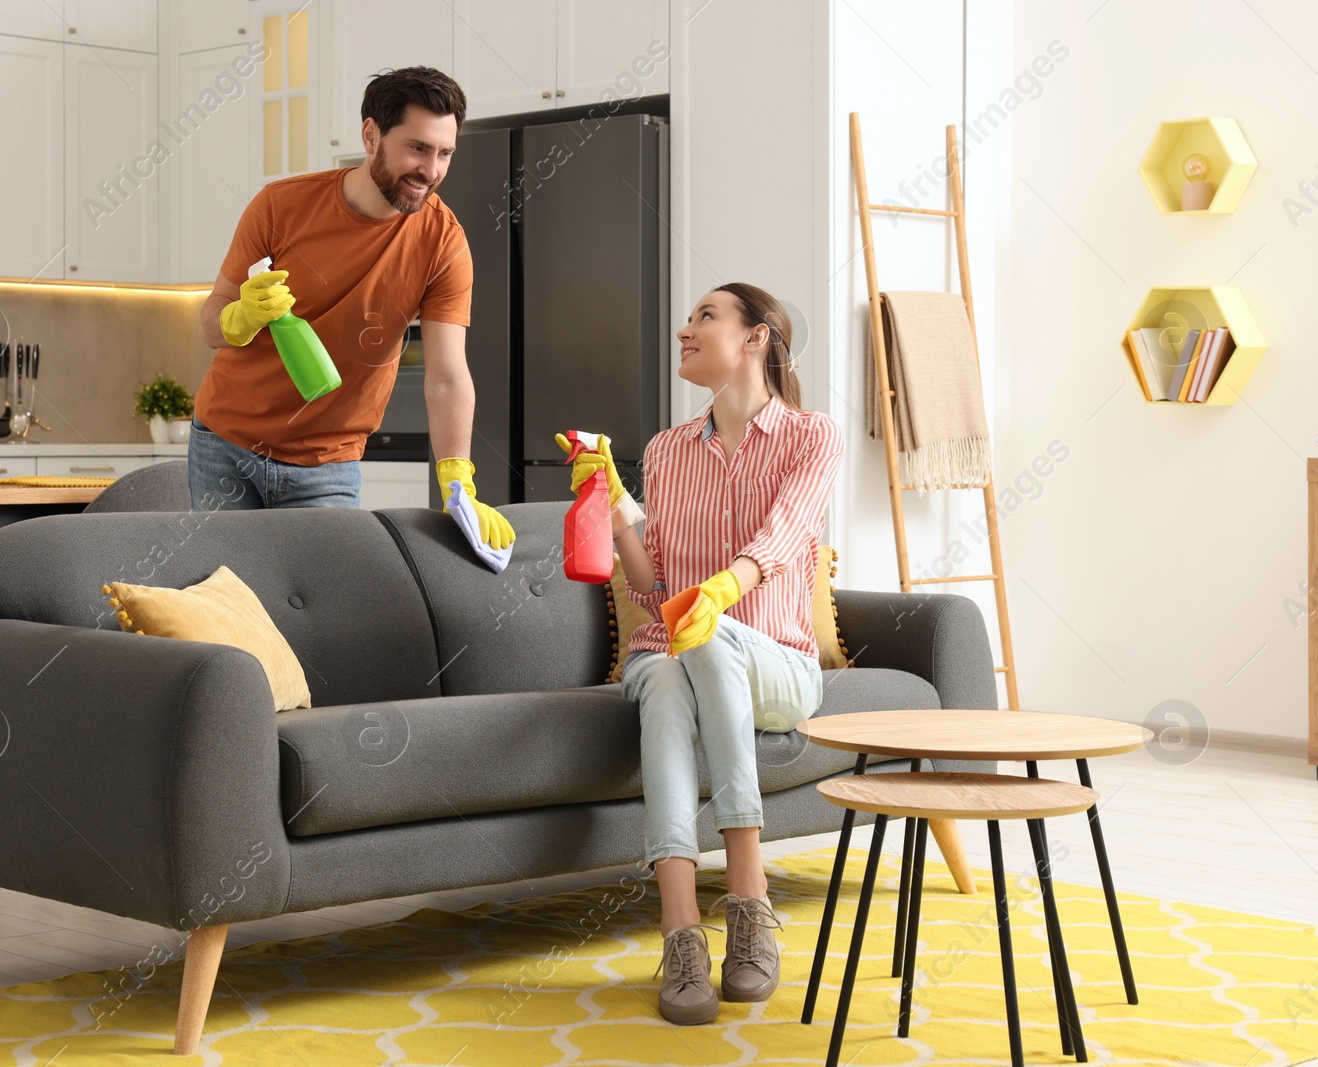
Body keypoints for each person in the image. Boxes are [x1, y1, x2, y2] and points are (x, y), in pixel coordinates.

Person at [559, 282, 843, 1025]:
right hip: (677, 657)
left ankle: (748, 897)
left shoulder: (813, 435)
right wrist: (618, 507)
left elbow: (786, 533)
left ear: (757, 338)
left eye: (705, 317)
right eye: (688, 318)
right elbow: (655, 593)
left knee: (703, 636)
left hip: (777, 661)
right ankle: (681, 930)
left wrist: (721, 591)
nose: (685, 329)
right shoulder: (664, 450)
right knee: (659, 678)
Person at [190, 66, 513, 549]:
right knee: (222, 605)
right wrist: (241, 316)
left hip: (328, 464)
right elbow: (211, 323)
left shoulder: (443, 243)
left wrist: (457, 475)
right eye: (417, 148)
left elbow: (446, 374)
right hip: (225, 444)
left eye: (445, 153)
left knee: (320, 613)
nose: (432, 170)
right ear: (370, 135)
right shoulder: (280, 206)